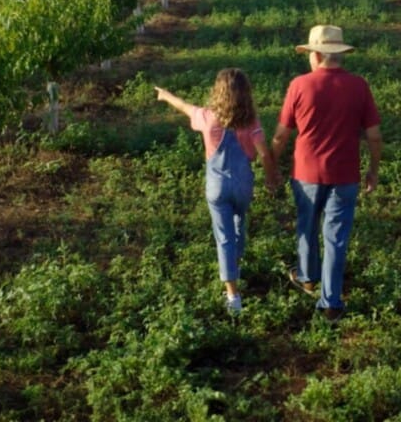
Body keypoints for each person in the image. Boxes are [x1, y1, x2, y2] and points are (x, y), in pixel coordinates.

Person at [272, 25, 382, 322]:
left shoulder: (300, 86)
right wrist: (373, 169)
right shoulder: (359, 86)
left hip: (306, 172)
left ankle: (308, 277)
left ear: (317, 55)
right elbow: (373, 135)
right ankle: (330, 302)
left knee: (307, 225)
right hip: (346, 174)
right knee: (336, 238)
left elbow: (282, 135)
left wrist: (271, 165)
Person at [156, 69, 280, 315]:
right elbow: (265, 154)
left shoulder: (208, 117)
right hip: (243, 185)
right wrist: (271, 178)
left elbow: (185, 107)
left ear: (218, 92)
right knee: (238, 223)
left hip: (217, 187)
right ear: (246, 94)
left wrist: (166, 95)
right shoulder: (250, 122)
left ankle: (232, 294)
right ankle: (235, 263)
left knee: (223, 237)